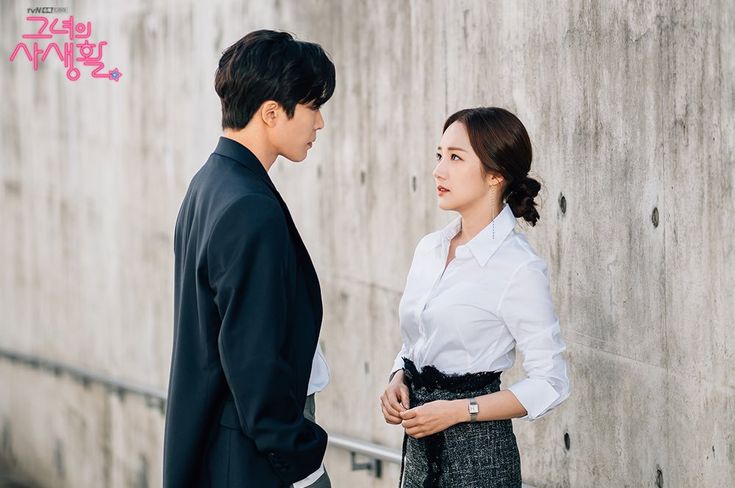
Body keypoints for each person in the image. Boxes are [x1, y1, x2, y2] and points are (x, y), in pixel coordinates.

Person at [163, 30, 335, 488]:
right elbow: (253, 359)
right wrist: (305, 466)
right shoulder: (248, 206)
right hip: (252, 457)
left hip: (224, 446)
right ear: (272, 113)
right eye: (313, 106)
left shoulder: (209, 183)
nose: (319, 123)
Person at [380, 107, 571, 487]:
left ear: (495, 174)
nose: (438, 170)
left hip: (480, 458)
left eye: (455, 157)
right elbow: (419, 340)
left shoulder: (518, 266)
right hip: (418, 451)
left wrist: (459, 410)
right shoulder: (429, 248)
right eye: (439, 155)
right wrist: (397, 377)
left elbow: (552, 382)